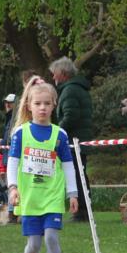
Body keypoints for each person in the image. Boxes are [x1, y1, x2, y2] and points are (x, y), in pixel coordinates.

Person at [6, 76, 78, 253]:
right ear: (29, 106)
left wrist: (72, 193)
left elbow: (68, 166)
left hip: (53, 196)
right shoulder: (21, 133)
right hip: (30, 197)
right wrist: (13, 188)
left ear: (54, 105)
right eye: (38, 104)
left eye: (47, 103)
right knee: (34, 244)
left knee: (51, 239)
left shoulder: (60, 135)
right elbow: (12, 163)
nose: (42, 108)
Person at [50, 57, 94, 222]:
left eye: (55, 75)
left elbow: (71, 116)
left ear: (63, 74)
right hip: (80, 137)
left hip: (75, 140)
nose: (53, 78)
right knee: (80, 174)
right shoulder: (78, 89)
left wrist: (57, 132)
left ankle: (81, 211)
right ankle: (83, 210)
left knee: (76, 174)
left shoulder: (70, 91)